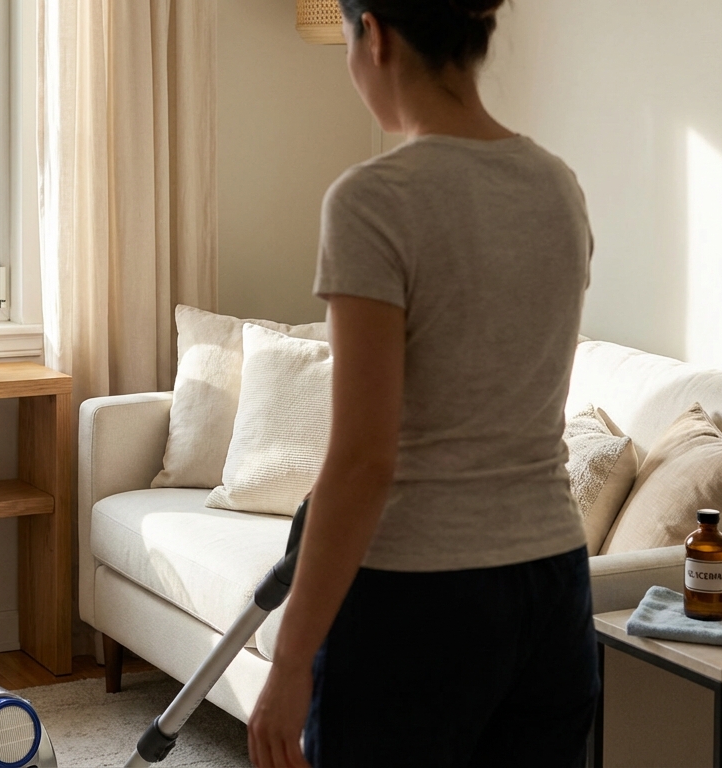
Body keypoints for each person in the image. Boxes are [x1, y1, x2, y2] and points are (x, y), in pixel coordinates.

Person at [246, 1, 598, 766]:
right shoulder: (557, 187)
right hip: (553, 584)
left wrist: (289, 660)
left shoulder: (373, 200)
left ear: (374, 34)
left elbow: (365, 459)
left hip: (419, 599)